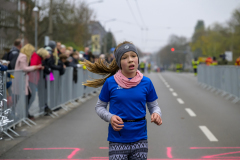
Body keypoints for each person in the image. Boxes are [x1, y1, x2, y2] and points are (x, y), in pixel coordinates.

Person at [82, 41, 162, 159]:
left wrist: (156, 113)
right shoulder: (110, 82)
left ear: (138, 59)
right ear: (119, 62)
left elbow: (154, 106)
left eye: (133, 56)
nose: (130, 60)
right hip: (117, 140)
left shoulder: (147, 82)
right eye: (125, 57)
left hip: (140, 139)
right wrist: (110, 117)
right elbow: (99, 107)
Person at [14, 44, 42, 119]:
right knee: (20, 97)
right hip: (21, 79)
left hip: (20, 79)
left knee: (22, 96)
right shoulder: (24, 56)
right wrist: (35, 67)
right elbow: (24, 68)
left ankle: (22, 114)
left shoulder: (21, 55)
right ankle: (20, 114)